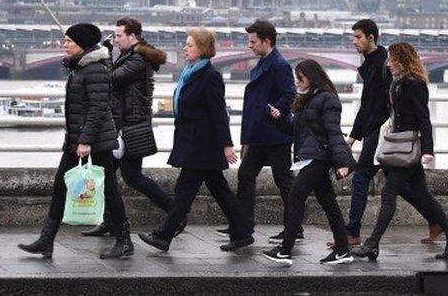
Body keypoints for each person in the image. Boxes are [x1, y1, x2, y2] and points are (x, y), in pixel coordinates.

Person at [18, 23, 132, 259]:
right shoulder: (80, 68)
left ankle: (124, 240)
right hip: (76, 139)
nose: (64, 45)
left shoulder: (95, 70)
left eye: (69, 41)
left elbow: (99, 108)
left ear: (82, 44)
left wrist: (86, 140)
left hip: (94, 141)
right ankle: (46, 241)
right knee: (60, 185)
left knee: (110, 190)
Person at [138, 28, 254, 253]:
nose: (185, 48)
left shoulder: (210, 76)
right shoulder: (190, 72)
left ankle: (164, 236)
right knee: (219, 190)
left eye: (189, 45)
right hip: (193, 141)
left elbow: (219, 113)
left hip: (203, 144)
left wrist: (226, 144)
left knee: (184, 191)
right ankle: (243, 232)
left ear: (202, 50)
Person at [351, 42, 448, 262]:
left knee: (388, 193)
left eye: (393, 60)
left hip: (409, 148)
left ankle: (372, 244)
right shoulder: (397, 83)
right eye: (389, 59)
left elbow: (424, 118)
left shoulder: (415, 85)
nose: (389, 64)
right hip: (401, 147)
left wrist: (428, 150)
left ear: (404, 61)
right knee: (425, 197)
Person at [345, 19, 441, 247]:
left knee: (361, 177)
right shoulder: (370, 63)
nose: (354, 41)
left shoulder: (384, 64)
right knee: (403, 186)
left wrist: (391, 131)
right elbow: (366, 103)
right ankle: (436, 220)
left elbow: (394, 103)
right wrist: (354, 136)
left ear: (371, 38)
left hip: (384, 133)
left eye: (358, 37)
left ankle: (353, 233)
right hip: (375, 132)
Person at [83, 18, 175, 237]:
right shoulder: (129, 55)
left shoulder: (139, 59)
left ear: (132, 36)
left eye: (118, 36)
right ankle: (111, 221)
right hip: (121, 124)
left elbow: (113, 78)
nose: (115, 40)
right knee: (107, 174)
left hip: (131, 127)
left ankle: (175, 211)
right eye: (114, 36)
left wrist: (103, 56)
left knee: (132, 177)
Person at [262, 60, 354, 266]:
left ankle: (285, 250)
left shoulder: (327, 99)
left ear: (311, 77)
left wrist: (342, 162)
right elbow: (295, 131)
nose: (297, 81)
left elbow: (334, 132)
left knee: (295, 197)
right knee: (328, 203)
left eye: (300, 77)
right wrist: (278, 118)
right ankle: (343, 250)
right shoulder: (307, 100)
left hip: (319, 157)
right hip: (311, 157)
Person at [225, 20, 295, 244]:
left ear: (267, 41)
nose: (249, 46)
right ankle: (243, 225)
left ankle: (293, 227)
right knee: (246, 176)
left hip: (274, 134)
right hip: (259, 134)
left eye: (253, 42)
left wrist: (273, 111)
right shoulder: (266, 63)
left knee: (283, 181)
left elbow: (289, 94)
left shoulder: (279, 65)